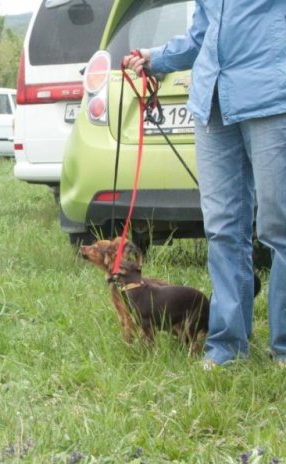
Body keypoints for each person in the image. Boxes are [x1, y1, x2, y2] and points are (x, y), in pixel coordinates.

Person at [123, 1, 286, 369]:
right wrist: (155, 58)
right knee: (222, 228)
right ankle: (227, 345)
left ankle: (284, 347)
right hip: (212, 105)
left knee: (279, 226)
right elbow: (201, 35)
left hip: (272, 101)